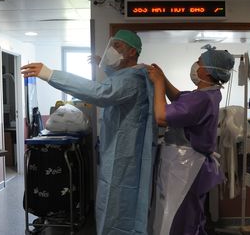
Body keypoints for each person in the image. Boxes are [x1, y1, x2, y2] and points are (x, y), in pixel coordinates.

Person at [20, 29, 157, 235]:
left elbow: (102, 92)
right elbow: (114, 81)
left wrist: (50, 74)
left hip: (124, 156)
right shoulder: (129, 75)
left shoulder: (132, 79)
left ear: (131, 52)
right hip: (120, 152)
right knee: (113, 202)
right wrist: (102, 63)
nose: (112, 49)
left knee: (117, 205)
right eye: (112, 44)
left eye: (117, 46)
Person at [147, 45, 235, 235]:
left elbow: (161, 116)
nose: (195, 65)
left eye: (199, 62)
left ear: (209, 71)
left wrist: (157, 84)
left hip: (185, 166)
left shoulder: (202, 99)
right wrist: (162, 77)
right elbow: (179, 98)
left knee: (177, 217)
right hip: (186, 163)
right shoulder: (206, 94)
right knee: (185, 214)